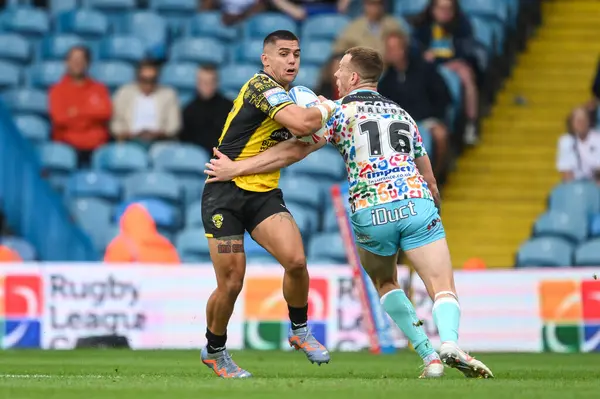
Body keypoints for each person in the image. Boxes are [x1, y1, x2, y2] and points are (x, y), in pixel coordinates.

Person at [204, 46, 495, 379]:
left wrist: (238, 167)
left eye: (341, 69)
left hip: (370, 210)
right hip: (415, 203)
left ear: (353, 77)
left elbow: (295, 150)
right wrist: (431, 211)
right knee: (442, 285)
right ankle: (450, 343)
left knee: (386, 281)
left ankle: (429, 357)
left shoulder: (338, 111)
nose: (336, 75)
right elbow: (429, 177)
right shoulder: (402, 113)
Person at [200, 30, 337, 379]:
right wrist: (326, 106)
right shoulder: (261, 87)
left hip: (262, 195)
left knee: (296, 261)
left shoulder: (294, 99)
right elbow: (305, 125)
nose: (292, 60)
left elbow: (298, 147)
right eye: (284, 54)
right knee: (231, 281)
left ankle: (300, 329)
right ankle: (215, 350)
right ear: (266, 60)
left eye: (297, 54)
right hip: (223, 194)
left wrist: (242, 166)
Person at [49, 45, 112, 167]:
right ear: (66, 63)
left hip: (96, 146)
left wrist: (76, 113)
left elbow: (106, 112)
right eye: (73, 60)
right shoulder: (57, 90)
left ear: (87, 63)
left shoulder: (99, 89)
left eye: (81, 60)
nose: (77, 64)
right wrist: (90, 117)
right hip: (67, 146)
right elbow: (59, 118)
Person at [111, 60, 181, 148]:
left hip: (159, 142)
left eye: (152, 80)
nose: (148, 84)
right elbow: (115, 123)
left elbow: (174, 126)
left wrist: (158, 133)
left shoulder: (168, 94)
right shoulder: (124, 93)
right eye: (144, 80)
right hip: (130, 141)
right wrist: (128, 134)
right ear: (137, 78)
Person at [180, 65, 233, 154]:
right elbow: (185, 141)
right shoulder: (188, 110)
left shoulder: (230, 107)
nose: (207, 86)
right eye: (203, 82)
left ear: (217, 83)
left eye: (211, 82)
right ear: (197, 83)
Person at [556, 106, 600, 184]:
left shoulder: (597, 138)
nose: (581, 123)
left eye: (583, 120)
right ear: (572, 123)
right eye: (577, 121)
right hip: (574, 185)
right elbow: (566, 172)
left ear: (588, 121)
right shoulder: (565, 141)